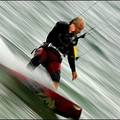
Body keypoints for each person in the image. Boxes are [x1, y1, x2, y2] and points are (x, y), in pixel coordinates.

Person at [27, 16, 85, 89]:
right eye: (79, 28)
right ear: (74, 24)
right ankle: (25, 73)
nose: (80, 31)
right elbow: (56, 28)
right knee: (38, 58)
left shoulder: (74, 41)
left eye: (81, 30)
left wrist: (73, 70)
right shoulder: (62, 26)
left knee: (56, 79)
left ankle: (49, 93)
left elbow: (71, 56)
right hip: (45, 51)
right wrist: (68, 29)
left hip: (55, 59)